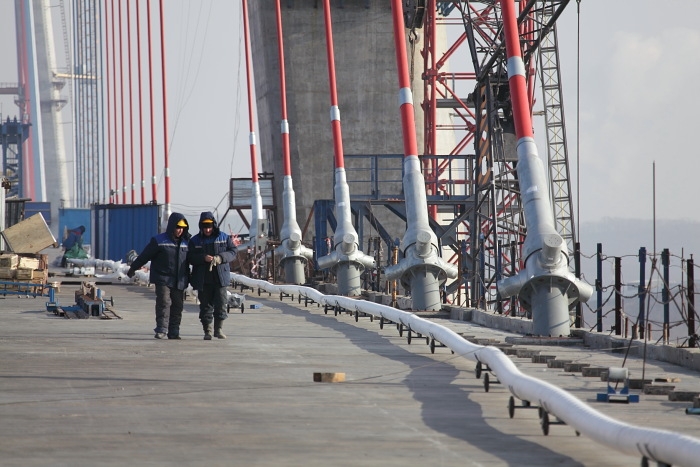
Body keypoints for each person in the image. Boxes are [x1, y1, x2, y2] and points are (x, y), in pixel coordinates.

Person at [127, 213, 190, 340]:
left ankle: (174, 331)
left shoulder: (187, 242)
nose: (180, 230)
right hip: (163, 278)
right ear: (172, 226)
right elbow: (145, 255)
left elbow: (195, 258)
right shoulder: (159, 241)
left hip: (179, 279)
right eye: (178, 227)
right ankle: (161, 329)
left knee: (178, 305)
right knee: (164, 302)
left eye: (183, 228)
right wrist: (133, 267)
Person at [187, 212, 237, 340]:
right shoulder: (195, 241)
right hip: (203, 279)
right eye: (205, 227)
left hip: (220, 278)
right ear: (201, 227)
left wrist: (221, 258)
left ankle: (218, 329)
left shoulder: (224, 237)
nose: (207, 230)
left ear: (213, 225)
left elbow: (233, 251)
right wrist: (203, 258)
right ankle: (207, 331)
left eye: (209, 227)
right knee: (205, 306)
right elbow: (190, 257)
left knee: (221, 303)